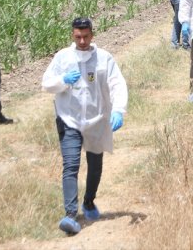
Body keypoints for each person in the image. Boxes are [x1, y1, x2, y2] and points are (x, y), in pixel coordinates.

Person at [41, 17, 128, 235]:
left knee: (95, 164)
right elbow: (46, 83)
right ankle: (70, 215)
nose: (82, 41)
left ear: (92, 34)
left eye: (86, 36)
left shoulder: (104, 58)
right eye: (78, 36)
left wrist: (118, 109)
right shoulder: (63, 57)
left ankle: (89, 201)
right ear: (73, 35)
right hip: (68, 118)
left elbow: (117, 83)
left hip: (96, 120)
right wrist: (63, 80)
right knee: (71, 165)